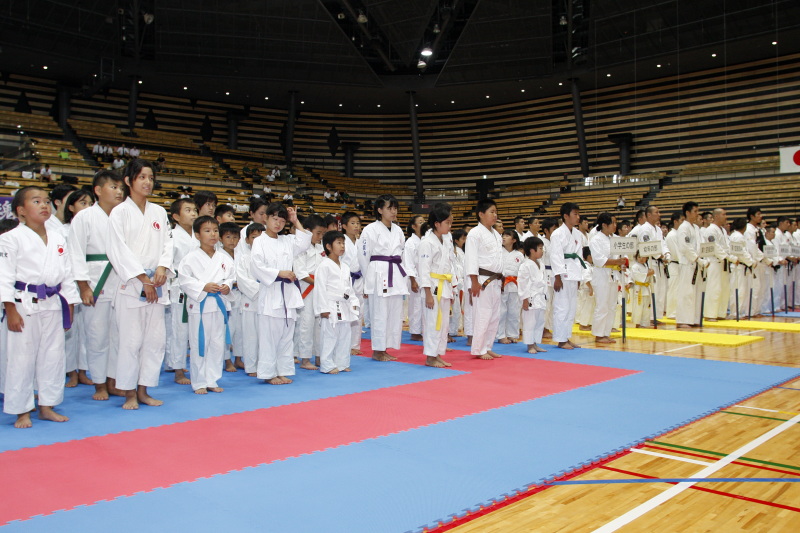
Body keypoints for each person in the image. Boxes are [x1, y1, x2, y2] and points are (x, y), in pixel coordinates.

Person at [0, 186, 80, 428]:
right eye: (37, 202)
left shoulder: (58, 238)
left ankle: (47, 405)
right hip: (24, 304)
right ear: (21, 211)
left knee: (53, 356)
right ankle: (22, 410)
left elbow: (67, 274)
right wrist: (10, 308)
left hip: (54, 304)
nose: (45, 205)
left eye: (46, 201)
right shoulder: (9, 239)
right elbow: (3, 276)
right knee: (21, 358)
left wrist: (70, 303)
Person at [107, 159, 173, 409]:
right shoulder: (119, 212)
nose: (147, 182)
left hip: (157, 283)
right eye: (142, 177)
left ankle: (144, 389)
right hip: (132, 285)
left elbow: (168, 244)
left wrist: (162, 267)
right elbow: (117, 250)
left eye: (151, 178)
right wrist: (143, 278)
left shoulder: (159, 211)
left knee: (154, 342)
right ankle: (129, 394)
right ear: (128, 181)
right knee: (130, 341)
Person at [250, 202, 310, 385]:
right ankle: (268, 373)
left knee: (286, 335)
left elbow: (305, 241)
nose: (278, 224)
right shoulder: (259, 241)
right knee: (269, 336)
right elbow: (256, 266)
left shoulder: (287, 240)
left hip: (288, 294)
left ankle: (282, 370)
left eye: (282, 221)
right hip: (271, 290)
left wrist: (295, 220)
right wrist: (279, 273)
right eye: (274, 219)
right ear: (266, 218)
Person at [178, 216, 235, 394]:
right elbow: (184, 281)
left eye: (216, 231)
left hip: (218, 306)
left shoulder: (223, 258)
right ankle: (199, 382)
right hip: (200, 306)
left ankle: (212, 379)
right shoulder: (190, 258)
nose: (213, 234)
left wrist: (227, 286)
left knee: (217, 344)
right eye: (207, 231)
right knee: (199, 344)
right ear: (197, 235)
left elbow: (231, 276)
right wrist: (203, 286)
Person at [358, 194, 408, 362]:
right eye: (389, 208)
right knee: (379, 313)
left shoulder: (398, 229)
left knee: (394, 313)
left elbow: (402, 253)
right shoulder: (370, 229)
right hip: (378, 274)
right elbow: (363, 256)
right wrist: (368, 280)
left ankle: (385, 347)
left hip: (394, 271)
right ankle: (377, 350)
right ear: (379, 210)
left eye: (395, 208)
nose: (393, 212)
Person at [314, 230, 360, 374]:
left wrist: (354, 302)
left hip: (344, 304)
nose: (342, 246)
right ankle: (327, 364)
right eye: (339, 243)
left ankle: (341, 362)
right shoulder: (324, 265)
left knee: (345, 335)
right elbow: (320, 288)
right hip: (330, 304)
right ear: (328, 246)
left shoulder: (345, 267)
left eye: (343, 243)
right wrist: (323, 309)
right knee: (329, 336)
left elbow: (349, 288)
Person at [62, 189, 94, 388]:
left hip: (89, 280)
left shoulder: (93, 226)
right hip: (69, 282)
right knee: (70, 330)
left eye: (90, 203)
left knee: (86, 330)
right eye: (83, 203)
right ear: (71, 207)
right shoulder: (61, 230)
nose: (87, 207)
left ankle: (83, 370)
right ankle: (70, 371)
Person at [464, 199, 504, 360]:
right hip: (482, 280)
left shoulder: (496, 234)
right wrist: (474, 282)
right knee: (483, 315)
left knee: (494, 316)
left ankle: (487, 346)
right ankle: (479, 349)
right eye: (491, 212)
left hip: (496, 279)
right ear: (481, 214)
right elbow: (471, 259)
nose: (495, 215)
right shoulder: (475, 234)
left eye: (496, 212)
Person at [417, 203, 455, 368]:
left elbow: (450, 264)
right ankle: (430, 357)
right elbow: (423, 269)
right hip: (432, 287)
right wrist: (427, 294)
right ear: (437, 224)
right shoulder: (426, 242)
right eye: (447, 222)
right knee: (432, 323)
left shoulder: (446, 239)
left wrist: (452, 287)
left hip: (444, 285)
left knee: (443, 323)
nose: (450, 226)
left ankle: (438, 354)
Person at [166, 199, 198, 385]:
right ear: (176, 216)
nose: (193, 213)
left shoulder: (200, 234)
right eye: (188, 210)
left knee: (196, 329)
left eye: (194, 210)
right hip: (180, 288)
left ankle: (195, 366)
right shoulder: (171, 236)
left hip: (199, 287)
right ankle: (178, 369)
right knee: (179, 330)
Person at [549, 202, 585, 349]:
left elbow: (579, 256)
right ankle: (560, 339)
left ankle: (567, 336)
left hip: (573, 273)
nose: (578, 217)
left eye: (578, 213)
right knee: (561, 307)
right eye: (575, 214)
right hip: (562, 274)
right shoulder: (557, 234)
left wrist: (579, 277)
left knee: (571, 307)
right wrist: (557, 276)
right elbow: (555, 256)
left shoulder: (577, 234)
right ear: (565, 216)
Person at [293, 214, 326, 370]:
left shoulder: (321, 248)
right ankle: (305, 359)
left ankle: (320, 356)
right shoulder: (300, 248)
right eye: (318, 233)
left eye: (322, 234)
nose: (320, 237)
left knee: (320, 324)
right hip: (306, 290)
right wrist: (318, 283)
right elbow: (301, 272)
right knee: (306, 324)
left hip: (320, 290)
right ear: (307, 231)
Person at [589, 212, 627, 343]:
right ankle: (599, 334)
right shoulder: (595, 239)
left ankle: (606, 332)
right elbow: (599, 260)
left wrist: (622, 263)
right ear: (604, 225)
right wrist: (617, 262)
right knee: (602, 305)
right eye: (613, 223)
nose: (615, 226)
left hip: (613, 274)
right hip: (601, 274)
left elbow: (621, 256)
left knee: (611, 305)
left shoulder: (614, 239)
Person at [235, 223, 264, 376]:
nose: (257, 240)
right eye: (254, 237)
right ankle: (251, 367)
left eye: (261, 237)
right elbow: (242, 280)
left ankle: (265, 365)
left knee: (266, 336)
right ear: (247, 240)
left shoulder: (269, 259)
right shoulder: (244, 259)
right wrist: (262, 290)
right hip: (250, 301)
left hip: (267, 302)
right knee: (250, 336)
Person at [676, 201, 707, 328]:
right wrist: (697, 259)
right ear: (687, 213)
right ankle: (683, 320)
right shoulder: (683, 227)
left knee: (696, 292)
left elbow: (700, 245)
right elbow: (685, 247)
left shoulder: (696, 228)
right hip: (687, 264)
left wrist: (702, 258)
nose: (697, 214)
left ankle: (694, 319)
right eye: (695, 211)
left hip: (697, 264)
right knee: (686, 292)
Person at [339, 211, 364, 355]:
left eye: (358, 223)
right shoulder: (340, 241)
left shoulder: (361, 242)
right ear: (344, 226)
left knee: (358, 313)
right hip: (346, 280)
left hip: (359, 280)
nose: (356, 226)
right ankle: (344, 344)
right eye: (352, 223)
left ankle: (355, 345)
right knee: (345, 312)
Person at [704, 208, 734, 321]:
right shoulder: (711, 230)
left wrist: (729, 256)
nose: (726, 217)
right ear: (716, 216)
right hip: (714, 262)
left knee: (724, 289)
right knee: (714, 289)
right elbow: (715, 246)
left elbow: (726, 247)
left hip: (723, 262)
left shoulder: (722, 230)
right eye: (724, 214)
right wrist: (728, 257)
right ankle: (710, 314)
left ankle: (721, 313)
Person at [219, 222, 242, 370]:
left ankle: (238, 358)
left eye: (235, 237)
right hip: (224, 296)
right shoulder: (218, 256)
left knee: (240, 329)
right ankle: (227, 360)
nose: (232, 240)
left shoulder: (242, 255)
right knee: (227, 329)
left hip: (241, 296)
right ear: (221, 238)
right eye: (228, 237)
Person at [519, 236, 547, 353]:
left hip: (540, 296)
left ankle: (535, 343)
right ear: (532, 250)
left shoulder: (541, 263)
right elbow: (522, 284)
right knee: (530, 322)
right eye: (540, 248)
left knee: (539, 321)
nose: (542, 251)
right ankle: (529, 345)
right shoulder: (525, 265)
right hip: (530, 297)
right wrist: (525, 299)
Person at [497, 229, 523, 344]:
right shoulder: (498, 252)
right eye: (503, 235)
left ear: (514, 240)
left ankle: (512, 334)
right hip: (501, 283)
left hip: (515, 284)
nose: (504, 237)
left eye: (507, 236)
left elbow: (522, 272)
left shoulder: (519, 255)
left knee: (514, 311)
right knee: (501, 311)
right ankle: (501, 335)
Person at [404, 215, 425, 342]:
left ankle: (422, 329)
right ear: (413, 226)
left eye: (424, 222)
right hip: (415, 277)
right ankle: (415, 332)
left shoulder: (425, 240)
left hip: (425, 277)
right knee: (416, 305)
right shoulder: (410, 243)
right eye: (420, 222)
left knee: (424, 305)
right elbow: (408, 263)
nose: (423, 224)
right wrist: (413, 280)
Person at [729, 217, 754, 318]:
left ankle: (738, 312)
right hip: (737, 266)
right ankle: (735, 312)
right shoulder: (738, 237)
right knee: (738, 290)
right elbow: (741, 253)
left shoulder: (736, 235)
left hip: (740, 265)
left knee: (740, 290)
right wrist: (750, 262)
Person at [448, 229, 467, 342]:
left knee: (457, 308)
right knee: (453, 308)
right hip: (454, 281)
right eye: (463, 239)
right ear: (456, 240)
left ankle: (453, 330)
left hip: (460, 281)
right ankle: (450, 331)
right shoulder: (454, 251)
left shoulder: (461, 251)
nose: (465, 241)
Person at [630, 251, 655, 328]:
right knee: (638, 307)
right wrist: (648, 274)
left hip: (646, 289)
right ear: (636, 257)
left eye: (643, 257)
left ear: (647, 258)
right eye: (639, 257)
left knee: (646, 307)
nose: (641, 259)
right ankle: (637, 323)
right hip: (639, 288)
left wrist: (652, 274)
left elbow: (651, 277)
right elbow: (637, 276)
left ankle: (645, 323)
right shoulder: (635, 266)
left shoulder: (646, 266)